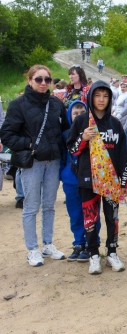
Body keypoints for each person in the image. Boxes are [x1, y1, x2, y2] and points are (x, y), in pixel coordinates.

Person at [1, 65, 69, 266]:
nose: (43, 83)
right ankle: (32, 248)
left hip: (53, 161)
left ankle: (47, 244)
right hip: (32, 162)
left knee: (49, 205)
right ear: (30, 80)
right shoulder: (18, 105)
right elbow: (7, 134)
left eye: (47, 79)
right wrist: (29, 144)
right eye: (39, 79)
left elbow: (65, 130)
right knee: (31, 206)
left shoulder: (56, 103)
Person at [67, 81, 127, 274]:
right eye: (97, 95)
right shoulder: (81, 121)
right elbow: (71, 149)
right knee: (90, 218)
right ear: (90, 97)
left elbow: (123, 154)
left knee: (112, 217)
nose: (101, 100)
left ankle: (112, 252)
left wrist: (125, 181)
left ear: (110, 99)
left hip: (112, 180)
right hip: (88, 180)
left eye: (105, 96)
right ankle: (93, 254)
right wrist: (83, 139)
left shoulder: (115, 123)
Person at [60, 100, 100, 262]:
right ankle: (79, 243)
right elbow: (63, 156)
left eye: (81, 113)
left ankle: (93, 242)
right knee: (75, 213)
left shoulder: (94, 132)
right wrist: (62, 174)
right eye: (74, 113)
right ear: (69, 116)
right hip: (70, 179)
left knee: (92, 213)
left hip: (90, 179)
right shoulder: (65, 135)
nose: (78, 116)